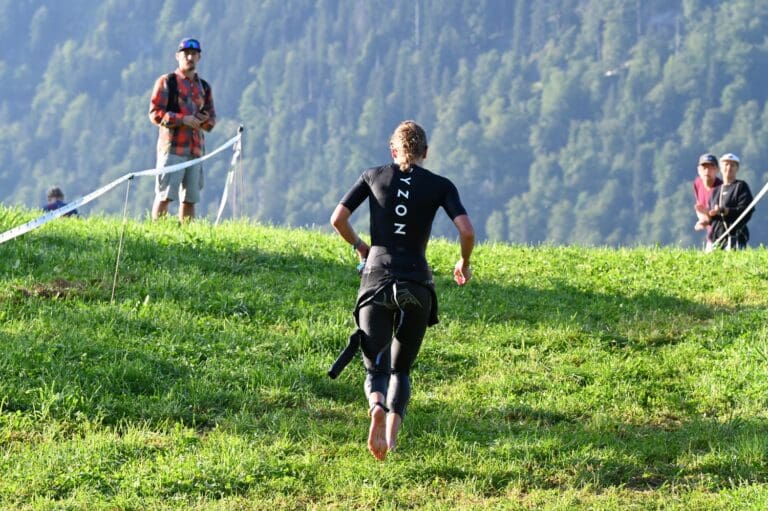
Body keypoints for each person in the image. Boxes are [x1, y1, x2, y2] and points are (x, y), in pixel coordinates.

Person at [330, 120, 475, 461]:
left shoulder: (372, 175)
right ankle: (391, 441)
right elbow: (466, 230)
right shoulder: (440, 186)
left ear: (392, 151)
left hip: (376, 280)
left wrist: (362, 247)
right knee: (402, 369)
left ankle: (376, 407)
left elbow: (338, 218)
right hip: (416, 284)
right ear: (425, 152)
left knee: (376, 369)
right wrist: (463, 262)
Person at [149, 37, 216, 221]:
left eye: (194, 54)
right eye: (186, 54)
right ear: (177, 56)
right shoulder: (167, 82)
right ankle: (157, 236)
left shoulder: (204, 87)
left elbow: (211, 121)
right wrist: (183, 119)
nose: (190, 57)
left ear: (199, 58)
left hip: (195, 151)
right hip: (173, 150)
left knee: (190, 200)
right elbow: (155, 114)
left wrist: (203, 121)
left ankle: (186, 239)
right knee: (165, 196)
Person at [705, 153, 753, 250]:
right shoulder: (715, 191)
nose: (729, 167)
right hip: (716, 239)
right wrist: (706, 217)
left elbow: (746, 211)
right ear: (721, 168)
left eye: (732, 165)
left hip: (735, 238)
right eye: (726, 164)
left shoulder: (741, 186)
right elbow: (712, 219)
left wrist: (725, 210)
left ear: (737, 168)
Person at [692, 153, 722, 251]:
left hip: (723, 234)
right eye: (704, 168)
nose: (707, 171)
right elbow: (699, 206)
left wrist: (705, 220)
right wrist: (702, 219)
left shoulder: (721, 188)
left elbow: (720, 217)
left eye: (711, 168)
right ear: (698, 170)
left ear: (717, 170)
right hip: (711, 234)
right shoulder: (697, 183)